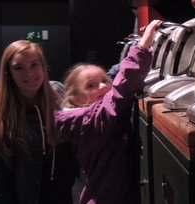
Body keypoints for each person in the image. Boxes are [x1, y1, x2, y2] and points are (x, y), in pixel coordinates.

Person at [55, 19, 162, 204]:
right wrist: (142, 48)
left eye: (104, 79)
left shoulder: (87, 116)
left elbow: (116, 80)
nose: (104, 86)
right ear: (76, 100)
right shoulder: (93, 120)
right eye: (91, 85)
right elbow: (118, 94)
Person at [0, 40, 78, 203]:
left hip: (64, 197)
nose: (29, 73)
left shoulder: (59, 94)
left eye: (34, 64)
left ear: (43, 65)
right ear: (8, 73)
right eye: (19, 67)